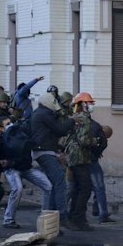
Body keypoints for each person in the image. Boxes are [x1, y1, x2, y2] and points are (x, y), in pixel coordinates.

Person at [30, 91, 76, 226]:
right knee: (59, 179)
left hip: (44, 151)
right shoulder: (44, 114)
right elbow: (60, 129)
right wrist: (71, 120)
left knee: (51, 185)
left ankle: (51, 218)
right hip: (45, 152)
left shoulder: (40, 113)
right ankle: (61, 216)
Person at [1, 117, 52, 229]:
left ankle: (44, 217)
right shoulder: (3, 139)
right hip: (12, 169)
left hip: (25, 168)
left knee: (48, 186)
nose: (10, 125)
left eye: (10, 123)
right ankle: (8, 219)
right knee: (17, 189)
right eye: (7, 124)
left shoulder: (19, 136)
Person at [63, 92, 97, 231]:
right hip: (79, 157)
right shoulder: (84, 118)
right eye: (89, 103)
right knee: (85, 188)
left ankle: (73, 216)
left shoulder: (75, 117)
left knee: (77, 188)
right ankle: (79, 219)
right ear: (83, 104)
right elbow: (84, 140)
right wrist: (95, 141)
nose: (91, 105)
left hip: (73, 156)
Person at [89, 121, 115, 224]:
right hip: (91, 161)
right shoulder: (102, 139)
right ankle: (102, 214)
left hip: (80, 161)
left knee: (75, 188)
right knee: (99, 187)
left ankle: (62, 212)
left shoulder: (93, 126)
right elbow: (97, 151)